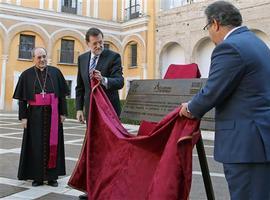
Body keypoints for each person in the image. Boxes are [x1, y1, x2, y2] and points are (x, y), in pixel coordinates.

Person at [180, 1, 270, 199]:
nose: (209, 34)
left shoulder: (229, 47)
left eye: (207, 28)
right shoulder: (257, 43)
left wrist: (190, 108)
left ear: (215, 23)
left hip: (245, 146)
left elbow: (212, 91)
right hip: (260, 140)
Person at [75, 28, 124, 199]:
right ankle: (92, 189)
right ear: (87, 43)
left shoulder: (113, 57)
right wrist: (79, 108)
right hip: (91, 112)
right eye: (95, 43)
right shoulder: (82, 59)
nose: (99, 46)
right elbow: (80, 87)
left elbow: (120, 82)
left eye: (101, 42)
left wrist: (103, 80)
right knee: (93, 151)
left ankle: (109, 190)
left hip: (109, 112)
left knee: (110, 151)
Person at [13, 47, 69, 187]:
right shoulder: (26, 75)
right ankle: (36, 177)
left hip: (53, 115)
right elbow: (22, 100)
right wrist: (23, 117)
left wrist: (63, 113)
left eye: (44, 56)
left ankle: (52, 177)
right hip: (34, 116)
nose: (42, 59)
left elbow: (62, 96)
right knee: (35, 146)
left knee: (54, 145)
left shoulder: (56, 72)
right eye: (39, 57)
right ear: (33, 58)